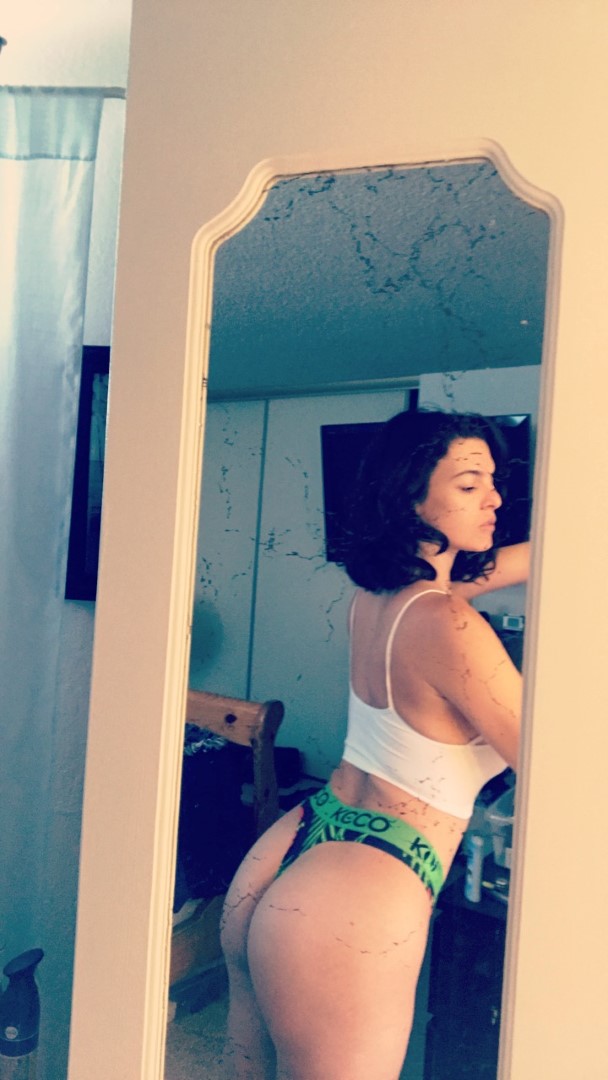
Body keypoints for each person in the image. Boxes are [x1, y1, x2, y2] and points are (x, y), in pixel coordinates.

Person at [220, 408, 528, 1080]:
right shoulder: (450, 623)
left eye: (494, 482)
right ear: (411, 496)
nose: (496, 499)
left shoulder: (378, 594)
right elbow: (555, 762)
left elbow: (498, 568)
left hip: (294, 847)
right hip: (359, 889)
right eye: (470, 484)